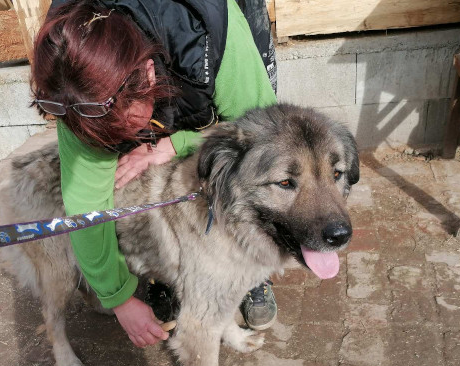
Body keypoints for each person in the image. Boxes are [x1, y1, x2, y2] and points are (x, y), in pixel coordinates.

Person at [32, 0, 278, 348]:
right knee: (137, 172)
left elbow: (261, 135)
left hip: (211, 33)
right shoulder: (72, 74)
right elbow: (86, 204)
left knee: (250, 172)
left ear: (148, 74)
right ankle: (164, 272)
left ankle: (253, 273)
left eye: (123, 129)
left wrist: (176, 143)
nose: (122, 141)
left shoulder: (214, 36)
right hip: (134, 80)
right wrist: (118, 297)